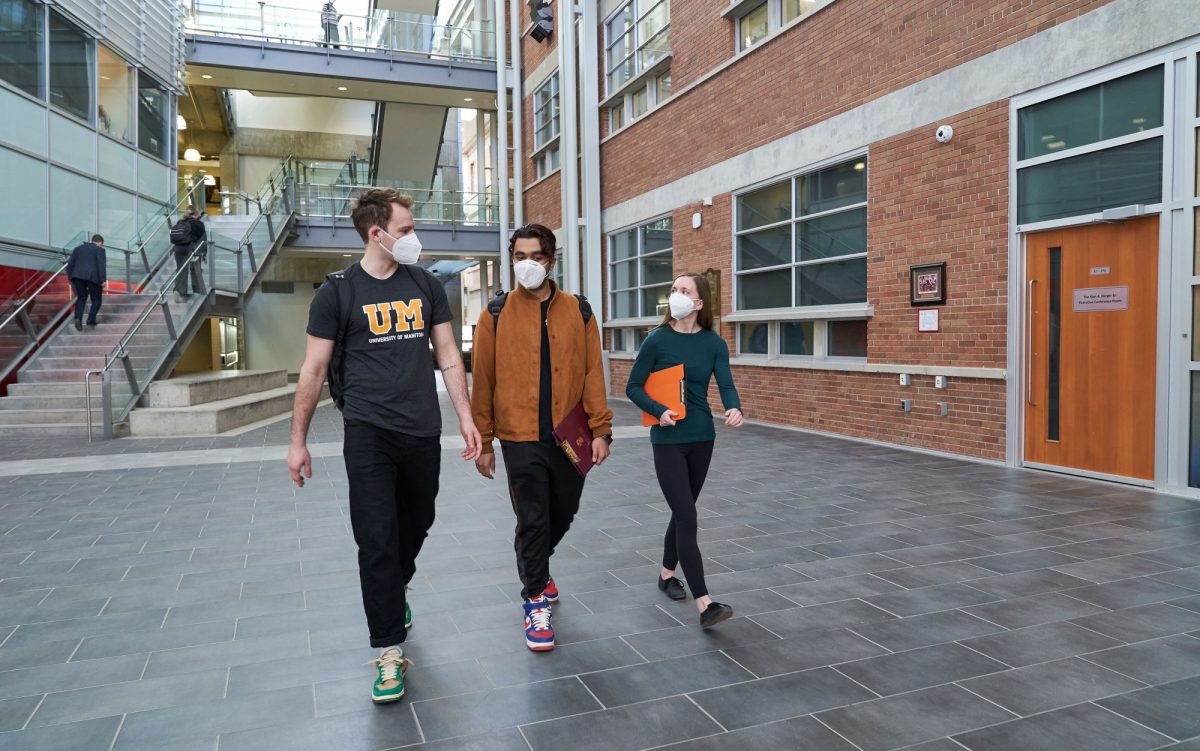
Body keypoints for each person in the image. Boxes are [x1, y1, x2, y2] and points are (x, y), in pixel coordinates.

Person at [287, 188, 482, 704]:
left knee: (417, 524)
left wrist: (465, 416)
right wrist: (297, 441)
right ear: (378, 233)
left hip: (421, 429)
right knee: (376, 539)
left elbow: (447, 353)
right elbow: (314, 369)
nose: (415, 236)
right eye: (408, 227)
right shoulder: (337, 293)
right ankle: (389, 650)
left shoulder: (425, 283)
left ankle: (395, 591)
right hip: (368, 434)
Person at [471, 224, 613, 652]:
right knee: (533, 518)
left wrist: (601, 428)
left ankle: (537, 566)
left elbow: (592, 374)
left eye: (535, 256)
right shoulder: (494, 315)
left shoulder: (580, 311)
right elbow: (484, 382)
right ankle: (535, 599)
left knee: (563, 513)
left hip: (570, 435)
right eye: (519, 257)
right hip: (519, 437)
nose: (526, 264)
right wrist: (485, 439)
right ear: (511, 260)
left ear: (551, 261)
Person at [625, 272, 744, 628]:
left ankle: (665, 575)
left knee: (683, 512)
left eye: (684, 290)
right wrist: (659, 410)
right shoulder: (657, 341)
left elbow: (726, 383)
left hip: (702, 437)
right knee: (688, 517)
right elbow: (633, 386)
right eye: (673, 288)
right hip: (667, 440)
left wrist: (734, 407)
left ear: (699, 303)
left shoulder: (713, 343)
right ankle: (705, 603)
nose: (676, 294)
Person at [65, 234, 106, 331]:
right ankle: (90, 319)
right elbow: (101, 265)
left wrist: (71, 277)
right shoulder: (100, 250)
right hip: (93, 277)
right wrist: (103, 280)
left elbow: (70, 265)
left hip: (78, 277)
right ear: (100, 242)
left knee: (81, 298)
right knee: (96, 300)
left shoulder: (78, 249)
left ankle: (78, 318)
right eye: (101, 244)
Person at [171, 208, 205, 302]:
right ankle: (197, 291)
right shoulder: (198, 224)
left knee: (181, 269)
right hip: (193, 248)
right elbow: (203, 239)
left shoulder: (179, 222)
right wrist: (204, 253)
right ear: (196, 214)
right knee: (195, 269)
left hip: (178, 248)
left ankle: (179, 292)